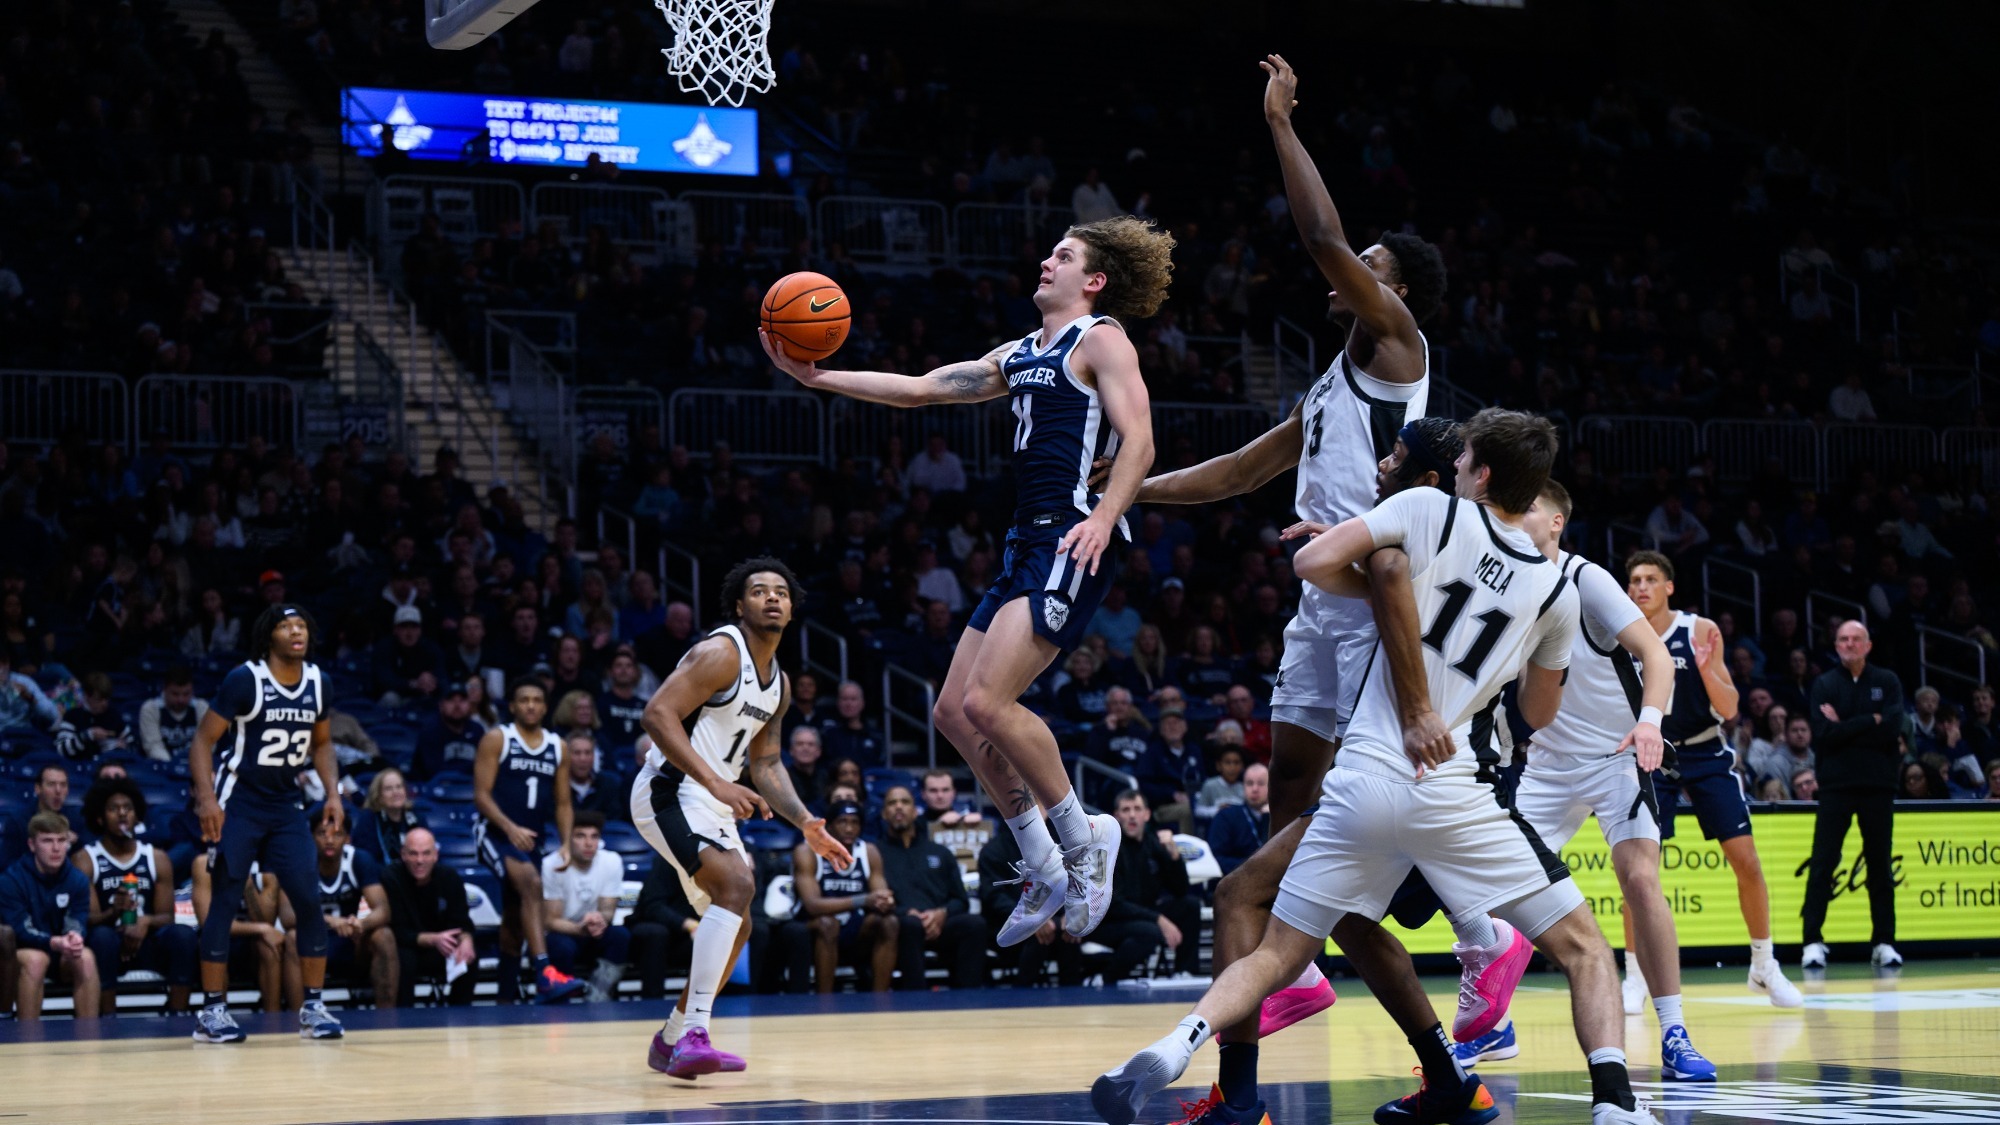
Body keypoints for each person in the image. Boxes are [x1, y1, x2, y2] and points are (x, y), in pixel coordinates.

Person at [1093, 406, 1650, 1125]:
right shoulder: (1554, 590)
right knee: (1581, 948)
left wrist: (1399, 599)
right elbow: (1539, 713)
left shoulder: (1427, 515)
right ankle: (1613, 1102)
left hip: (1362, 780)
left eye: (1461, 461)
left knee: (1279, 948)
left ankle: (1181, 1039)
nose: (1451, 471)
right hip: (1453, 787)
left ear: (1479, 474)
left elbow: (1311, 564)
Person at [764, 214, 1175, 950]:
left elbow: (1140, 441)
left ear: (1094, 280)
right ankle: (1042, 860)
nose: (1047, 261)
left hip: (1073, 531)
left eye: (1065, 255)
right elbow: (923, 389)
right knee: (953, 710)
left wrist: (1107, 517)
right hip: (1026, 539)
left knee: (990, 699)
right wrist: (816, 375)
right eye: (1051, 251)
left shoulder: (1103, 338)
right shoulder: (1021, 353)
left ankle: (1087, 844)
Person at [632, 558, 853, 1077]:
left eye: (781, 591)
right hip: (670, 792)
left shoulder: (778, 683)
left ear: (792, 608)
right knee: (736, 887)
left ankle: (670, 1039)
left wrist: (806, 823)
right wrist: (715, 781)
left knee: (739, 920)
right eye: (759, 591)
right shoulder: (719, 652)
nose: (772, 598)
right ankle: (694, 1036)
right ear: (739, 604)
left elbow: (767, 762)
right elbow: (656, 715)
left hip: (711, 799)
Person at [1626, 549, 1790, 994]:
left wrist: (1703, 666)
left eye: (1650, 579)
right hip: (1649, 756)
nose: (1641, 587)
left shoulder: (1699, 630)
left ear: (1669, 586)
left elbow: (1731, 708)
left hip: (1703, 753)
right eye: (1635, 580)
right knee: (1639, 870)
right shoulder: (1620, 633)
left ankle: (1763, 965)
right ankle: (1636, 977)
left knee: (1747, 861)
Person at [185, 604, 343, 1043]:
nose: (297, 631)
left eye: (302, 625)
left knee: (309, 901)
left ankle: (313, 1007)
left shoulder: (318, 682)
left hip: (286, 805)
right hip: (240, 803)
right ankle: (212, 1013)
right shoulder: (245, 679)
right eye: (285, 625)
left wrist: (333, 792)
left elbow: (324, 744)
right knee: (225, 899)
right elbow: (202, 740)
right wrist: (207, 799)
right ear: (268, 635)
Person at [472, 678, 584, 1002]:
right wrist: (510, 828)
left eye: (537, 700)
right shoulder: (498, 739)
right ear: (512, 706)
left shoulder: (556, 746)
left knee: (514, 917)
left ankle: (506, 996)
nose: (531, 705)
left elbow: (563, 802)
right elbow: (481, 796)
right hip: (494, 832)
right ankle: (545, 973)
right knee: (531, 884)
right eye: (524, 700)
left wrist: (565, 843)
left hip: (533, 838)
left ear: (546, 707)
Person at [1802, 621, 1905, 969]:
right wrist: (1869, 721)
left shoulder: (1887, 681)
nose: (1849, 644)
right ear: (1836, 645)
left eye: (1855, 639)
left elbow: (1893, 728)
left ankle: (1884, 942)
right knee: (1823, 863)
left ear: (1868, 644)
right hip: (1836, 786)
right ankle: (1812, 942)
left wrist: (1844, 724)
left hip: (1878, 785)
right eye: (1843, 639)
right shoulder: (1825, 683)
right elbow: (1823, 735)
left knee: (1880, 866)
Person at [76, 778, 196, 1014]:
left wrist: (145, 921)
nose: (122, 814)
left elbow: (167, 916)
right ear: (100, 818)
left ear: (137, 815)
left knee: (183, 935)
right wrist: (114, 913)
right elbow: (86, 919)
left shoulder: (156, 858)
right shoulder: (86, 858)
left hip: (147, 943)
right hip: (109, 946)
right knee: (101, 937)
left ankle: (177, 1014)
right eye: (113, 808)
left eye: (128, 808)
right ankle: (108, 1018)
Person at [875, 785, 986, 990]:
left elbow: (960, 900)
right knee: (910, 925)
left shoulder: (940, 851)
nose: (899, 807)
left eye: (905, 802)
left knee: (974, 924)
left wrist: (941, 913)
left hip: (940, 925)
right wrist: (905, 913)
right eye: (892, 803)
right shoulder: (875, 853)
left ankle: (969, 997)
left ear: (915, 811)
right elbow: (873, 899)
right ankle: (916, 998)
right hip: (899, 926)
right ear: (883, 813)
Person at [788, 799, 897, 993]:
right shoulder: (806, 851)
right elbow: (812, 905)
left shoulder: (869, 852)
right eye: (843, 822)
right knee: (828, 924)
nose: (849, 828)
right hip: (813, 927)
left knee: (889, 922)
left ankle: (881, 999)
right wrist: (863, 900)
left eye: (854, 822)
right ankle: (825, 999)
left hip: (856, 927)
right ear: (829, 826)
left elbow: (880, 895)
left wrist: (885, 901)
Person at [0, 812, 98, 1021]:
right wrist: (53, 942)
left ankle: (90, 1038)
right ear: (32, 844)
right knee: (36, 960)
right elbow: (19, 930)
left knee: (85, 957)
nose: (56, 848)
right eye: (47, 841)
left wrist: (74, 936)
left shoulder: (77, 879)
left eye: (61, 840)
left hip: (61, 950)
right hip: (23, 951)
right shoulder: (11, 880)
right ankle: (27, 1039)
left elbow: (77, 919)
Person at [296, 804, 395, 1006]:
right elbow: (289, 917)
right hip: (311, 942)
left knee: (384, 935)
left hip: (349, 941)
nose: (329, 840)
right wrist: (330, 921)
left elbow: (383, 910)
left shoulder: (359, 859)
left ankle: (388, 1018)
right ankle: (297, 1017)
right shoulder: (301, 862)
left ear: (348, 839)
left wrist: (360, 924)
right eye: (322, 834)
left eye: (337, 834)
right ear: (311, 837)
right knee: (290, 938)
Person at [1098, 789, 1202, 981]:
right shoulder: (1109, 848)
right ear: (1116, 816)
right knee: (1150, 932)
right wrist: (1158, 919)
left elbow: (1180, 889)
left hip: (1145, 912)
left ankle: (1184, 972)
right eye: (1126, 809)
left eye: (1137, 809)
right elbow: (1114, 904)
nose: (1131, 815)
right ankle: (1106, 978)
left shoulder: (1153, 843)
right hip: (1111, 920)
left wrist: (1174, 854)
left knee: (1190, 906)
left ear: (1146, 815)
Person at [542, 810, 631, 1002]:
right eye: (580, 836)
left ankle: (599, 994)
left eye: (594, 837)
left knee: (620, 936)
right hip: (564, 931)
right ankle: (563, 996)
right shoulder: (552, 865)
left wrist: (599, 919)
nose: (589, 843)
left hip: (593, 930)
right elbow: (550, 921)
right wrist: (579, 927)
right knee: (562, 946)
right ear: (567, 838)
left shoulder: (611, 861)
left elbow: (608, 910)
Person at [381, 827, 476, 1006]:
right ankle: (403, 1018)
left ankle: (463, 1018)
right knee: (403, 959)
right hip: (406, 946)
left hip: (441, 947)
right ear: (403, 854)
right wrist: (432, 939)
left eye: (426, 854)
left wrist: (466, 939)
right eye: (413, 854)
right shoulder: (391, 878)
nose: (420, 860)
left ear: (436, 855)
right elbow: (397, 931)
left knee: (468, 957)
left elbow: (461, 920)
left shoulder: (450, 877)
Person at [350, 767, 427, 864]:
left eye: (399, 787)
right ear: (379, 795)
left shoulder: (417, 817)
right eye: (388, 788)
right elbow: (365, 860)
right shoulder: (368, 819)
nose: (396, 792)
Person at [411, 684, 486, 781]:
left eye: (462, 700)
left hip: (471, 789)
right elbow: (434, 771)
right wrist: (471, 767)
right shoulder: (430, 731)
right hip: (435, 791)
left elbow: (485, 766)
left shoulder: (477, 730)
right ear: (441, 705)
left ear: (469, 705)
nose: (457, 705)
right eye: (451, 700)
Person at [1207, 763, 1270, 876]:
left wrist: (1267, 819)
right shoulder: (1226, 816)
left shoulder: (1278, 817)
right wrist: (1253, 868)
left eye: (1261, 784)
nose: (1255, 789)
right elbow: (1216, 858)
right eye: (1249, 783)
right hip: (1236, 881)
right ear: (1243, 786)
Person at [139, 666, 209, 763]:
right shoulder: (150, 708)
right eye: (175, 694)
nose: (181, 700)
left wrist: (193, 765)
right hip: (162, 767)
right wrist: (173, 766)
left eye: (186, 694)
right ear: (164, 689)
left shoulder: (201, 707)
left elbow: (208, 743)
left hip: (195, 764)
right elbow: (153, 746)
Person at [817, 680, 885, 768]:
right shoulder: (827, 735)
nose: (848, 704)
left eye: (853, 699)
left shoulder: (875, 736)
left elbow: (880, 767)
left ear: (862, 703)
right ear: (838, 703)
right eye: (844, 699)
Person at [562, 730, 626, 822]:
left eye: (588, 753)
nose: (583, 759)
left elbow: (614, 820)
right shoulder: (555, 787)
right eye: (577, 753)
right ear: (566, 756)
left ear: (594, 756)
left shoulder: (609, 785)